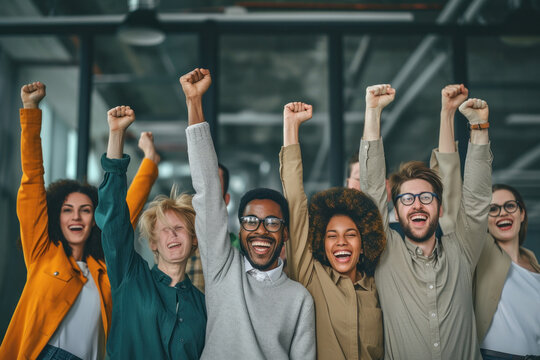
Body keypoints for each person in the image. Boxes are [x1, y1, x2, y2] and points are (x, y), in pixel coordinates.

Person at [0, 82, 158, 360]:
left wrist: (150, 163)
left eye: (85, 210)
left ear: (94, 219)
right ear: (56, 217)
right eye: (67, 209)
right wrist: (31, 110)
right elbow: (32, 181)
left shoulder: (105, 271)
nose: (75, 216)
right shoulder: (43, 255)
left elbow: (124, 212)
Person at [181, 68, 315, 359]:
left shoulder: (299, 298)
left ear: (286, 233)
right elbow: (207, 192)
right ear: (239, 229)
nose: (261, 230)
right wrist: (194, 103)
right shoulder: (222, 270)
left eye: (272, 222)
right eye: (251, 221)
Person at [360, 83, 492, 359]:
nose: (417, 205)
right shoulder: (387, 253)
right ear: (394, 211)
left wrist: (479, 130)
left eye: (426, 198)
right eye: (407, 199)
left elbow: (477, 201)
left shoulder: (462, 251)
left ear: (440, 207)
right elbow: (371, 191)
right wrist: (372, 113)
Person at [431, 85, 540, 359]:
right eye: (491, 209)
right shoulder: (478, 253)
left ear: (522, 212)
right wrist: (449, 114)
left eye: (510, 206)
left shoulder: (534, 263)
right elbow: (450, 181)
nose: (502, 213)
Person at [95, 105, 206, 359]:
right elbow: (114, 219)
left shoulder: (202, 305)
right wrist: (116, 135)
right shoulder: (130, 277)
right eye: (164, 231)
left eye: (179, 228)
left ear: (194, 239)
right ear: (153, 244)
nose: (173, 235)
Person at [280, 101, 386, 359]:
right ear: (321, 243)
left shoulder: (378, 285)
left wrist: (374, 112)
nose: (341, 242)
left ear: (363, 243)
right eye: (331, 235)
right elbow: (295, 203)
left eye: (351, 234)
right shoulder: (311, 277)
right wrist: (291, 128)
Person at [186, 162, 237, 292]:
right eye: (202, 186)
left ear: (226, 199)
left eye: (214, 186)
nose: (207, 193)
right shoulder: (178, 243)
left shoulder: (237, 248)